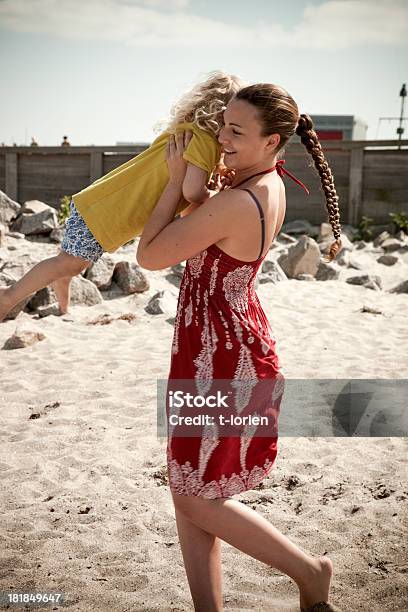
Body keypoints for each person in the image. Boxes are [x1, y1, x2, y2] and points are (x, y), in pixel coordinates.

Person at [136, 83, 342, 612]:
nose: (221, 137)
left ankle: (309, 571)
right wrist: (200, 192)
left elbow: (151, 256)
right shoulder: (265, 184)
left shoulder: (237, 199)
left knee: (193, 494)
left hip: (220, 361)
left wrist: (173, 187)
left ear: (273, 141)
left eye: (235, 131)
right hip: (219, 347)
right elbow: (216, 230)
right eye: (223, 124)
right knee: (191, 487)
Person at [0, 71, 243, 322]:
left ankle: (62, 296)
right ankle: (8, 296)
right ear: (222, 115)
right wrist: (215, 194)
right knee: (70, 262)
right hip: (104, 212)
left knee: (71, 263)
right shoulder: (204, 141)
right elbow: (192, 191)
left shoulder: (185, 130)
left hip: (99, 202)